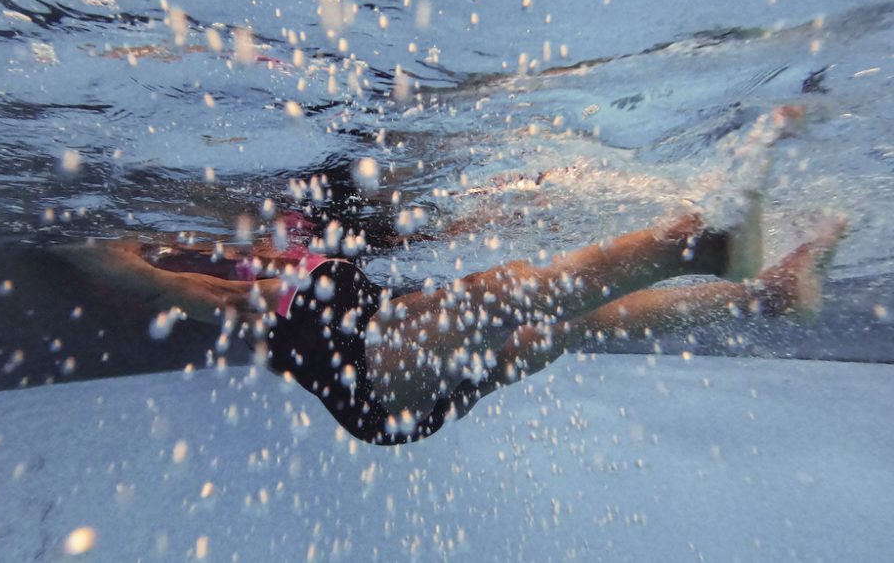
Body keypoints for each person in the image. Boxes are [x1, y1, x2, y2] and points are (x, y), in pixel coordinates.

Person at [56, 190, 847, 445]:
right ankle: (696, 248)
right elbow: (158, 281)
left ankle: (764, 293)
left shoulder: (316, 257)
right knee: (505, 292)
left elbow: (413, 237)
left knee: (575, 323)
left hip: (405, 371)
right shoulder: (244, 293)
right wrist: (100, 249)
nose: (274, 237)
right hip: (374, 384)